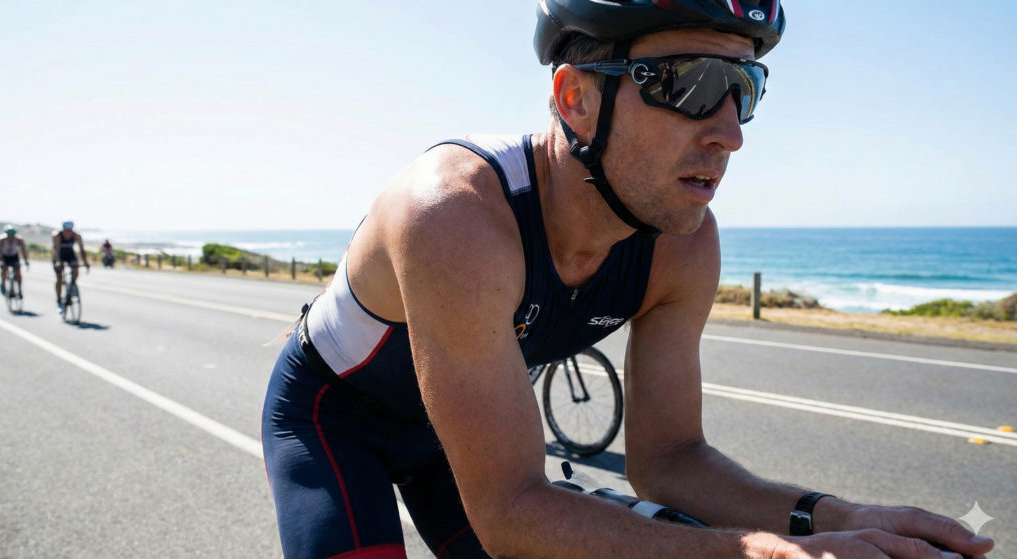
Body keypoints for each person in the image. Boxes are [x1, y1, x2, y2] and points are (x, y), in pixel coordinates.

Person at [262, 2, 994, 558]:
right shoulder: (454, 216)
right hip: (336, 418)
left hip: (468, 432)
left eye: (745, 85)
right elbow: (511, 508)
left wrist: (834, 516)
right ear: (576, 96)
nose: (731, 131)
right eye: (694, 83)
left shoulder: (683, 243)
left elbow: (670, 458)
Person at [53, 221, 89, 310]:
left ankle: (72, 286)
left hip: (70, 254)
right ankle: (59, 299)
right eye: (66, 230)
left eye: (70, 230)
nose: (68, 232)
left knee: (76, 267)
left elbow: (82, 249)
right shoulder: (57, 235)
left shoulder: (76, 235)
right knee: (59, 278)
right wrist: (57, 261)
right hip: (59, 255)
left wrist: (85, 262)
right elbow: (56, 249)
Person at [0, 225, 29, 298]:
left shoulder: (19, 239)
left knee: (18, 271)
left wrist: (26, 260)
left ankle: (20, 289)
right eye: (9, 235)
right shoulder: (1, 239)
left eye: (12, 235)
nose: (11, 237)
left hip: (14, 256)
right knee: (4, 270)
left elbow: (23, 250)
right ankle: (3, 285)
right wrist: (2, 262)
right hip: (4, 256)